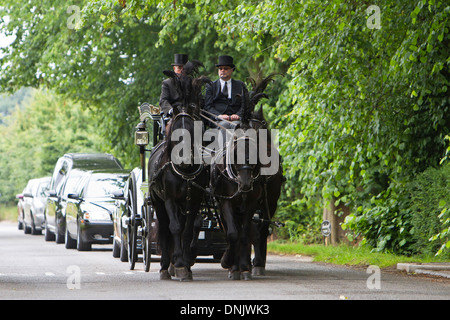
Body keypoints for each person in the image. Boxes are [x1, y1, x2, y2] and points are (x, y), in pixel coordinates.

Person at [204, 55, 248, 148]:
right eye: (220, 68)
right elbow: (208, 106)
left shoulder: (240, 85)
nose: (222, 70)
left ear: (232, 70)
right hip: (218, 120)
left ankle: (241, 155)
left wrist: (238, 114)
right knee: (224, 126)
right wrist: (219, 116)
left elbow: (244, 104)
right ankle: (223, 155)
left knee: (237, 126)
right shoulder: (211, 86)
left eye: (225, 68)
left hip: (235, 119)